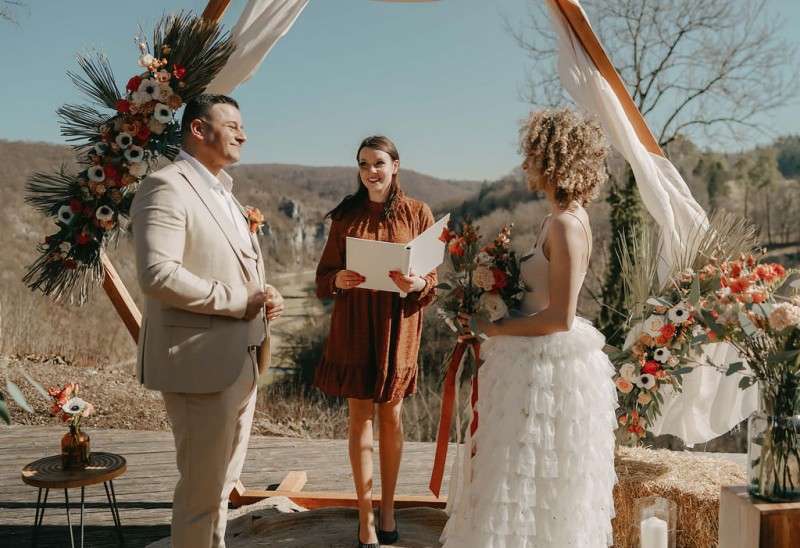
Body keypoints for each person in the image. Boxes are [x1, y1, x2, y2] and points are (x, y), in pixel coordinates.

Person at [441, 108, 618, 547]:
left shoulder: (566, 226)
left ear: (556, 160)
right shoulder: (553, 220)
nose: (525, 166)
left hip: (545, 368)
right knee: (513, 474)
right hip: (526, 358)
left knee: (527, 476)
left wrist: (496, 328)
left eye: (532, 156)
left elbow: (559, 318)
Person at [130, 94, 284, 547]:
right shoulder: (166, 186)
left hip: (243, 360)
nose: (243, 133)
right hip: (198, 365)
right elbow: (157, 275)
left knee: (219, 492)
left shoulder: (226, 195)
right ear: (198, 129)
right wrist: (240, 300)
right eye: (233, 124)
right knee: (200, 495)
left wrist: (266, 294)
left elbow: (234, 269)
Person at [314, 135, 437, 548]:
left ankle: (388, 510)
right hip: (354, 324)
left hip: (398, 326)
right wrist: (338, 279)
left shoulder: (419, 213)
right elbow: (323, 277)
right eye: (364, 164)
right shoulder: (346, 215)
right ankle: (365, 516)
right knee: (359, 419)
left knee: (392, 418)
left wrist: (417, 281)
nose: (371, 171)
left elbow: (431, 280)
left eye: (379, 163)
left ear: (396, 166)